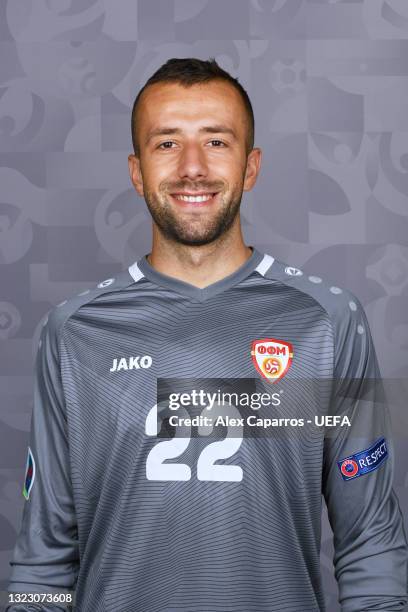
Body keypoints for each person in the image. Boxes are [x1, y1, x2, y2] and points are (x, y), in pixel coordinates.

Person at [6, 57, 408, 612]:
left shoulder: (327, 320)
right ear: (136, 170)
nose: (192, 167)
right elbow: (43, 560)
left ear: (251, 167)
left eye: (216, 142)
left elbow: (372, 544)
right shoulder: (74, 332)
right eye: (166, 144)